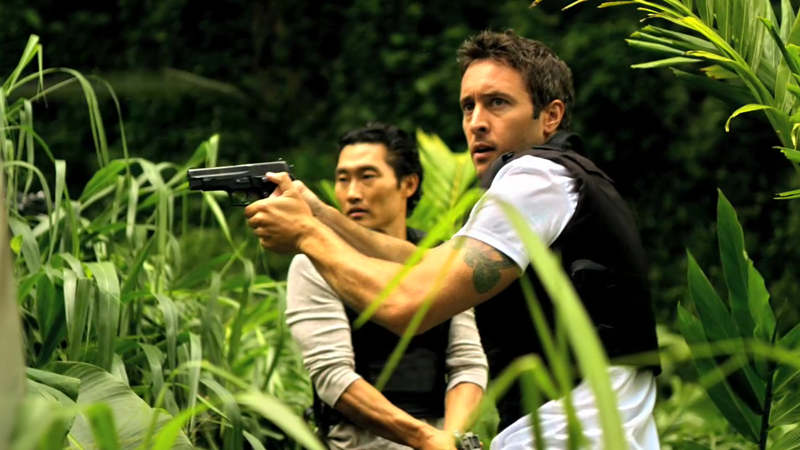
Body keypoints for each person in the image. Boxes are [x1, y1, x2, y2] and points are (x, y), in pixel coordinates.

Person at [245, 29, 662, 450]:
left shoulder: (534, 180)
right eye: (468, 106)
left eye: (497, 102)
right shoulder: (567, 180)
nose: (476, 122)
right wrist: (322, 215)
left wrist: (306, 234)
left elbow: (408, 303)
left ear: (550, 116)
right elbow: (425, 264)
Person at [285, 123, 489, 450]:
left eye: (367, 177)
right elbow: (333, 376)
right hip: (355, 442)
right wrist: (423, 439)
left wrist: (449, 438)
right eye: (343, 179)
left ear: (408, 184)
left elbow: (468, 363)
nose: (352, 193)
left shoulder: (439, 258)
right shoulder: (314, 261)